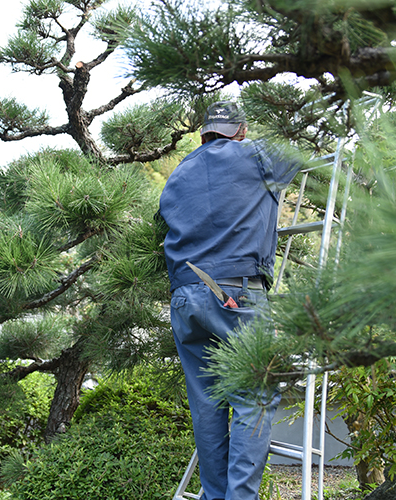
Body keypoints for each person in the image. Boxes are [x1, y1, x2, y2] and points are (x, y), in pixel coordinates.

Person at [158, 101, 301, 500]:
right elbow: (303, 141)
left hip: (185, 298)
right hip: (233, 293)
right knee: (253, 397)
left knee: (207, 404)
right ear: (240, 131)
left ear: (203, 134)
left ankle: (215, 496)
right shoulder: (254, 154)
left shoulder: (178, 173)